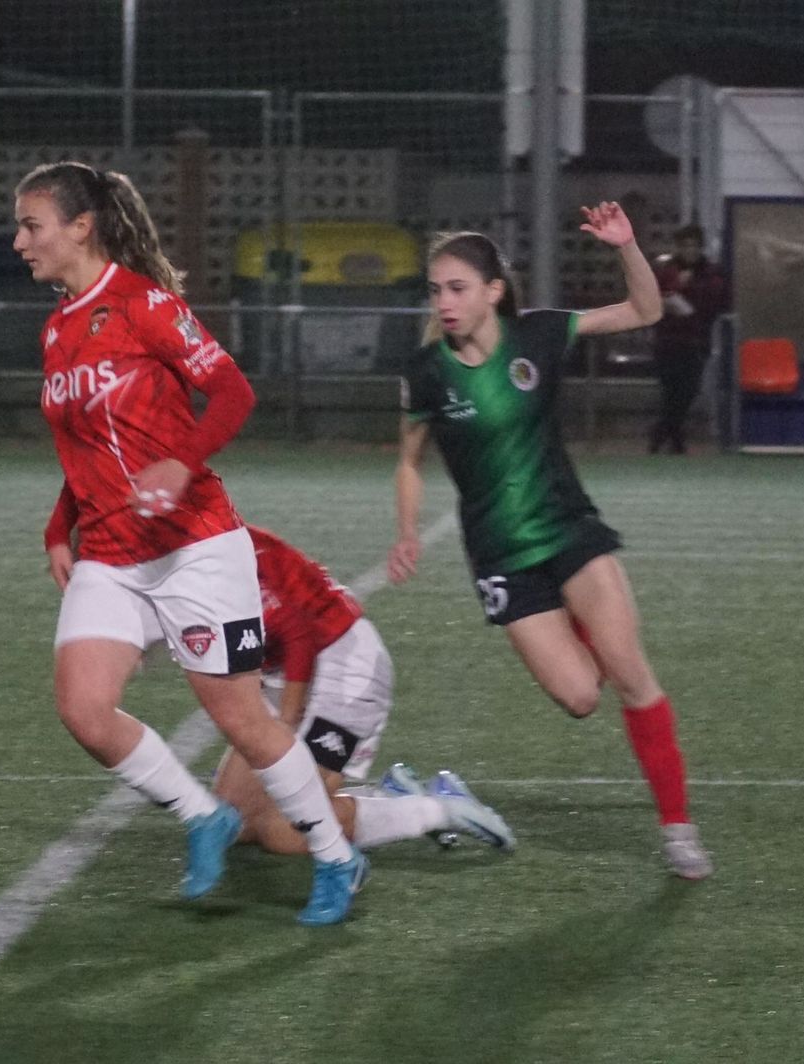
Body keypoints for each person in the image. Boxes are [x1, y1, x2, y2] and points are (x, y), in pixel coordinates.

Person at [20, 161, 364, 926]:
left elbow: (235, 390)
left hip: (196, 548)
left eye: (31, 225)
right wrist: (57, 527)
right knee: (84, 709)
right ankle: (201, 815)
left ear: (81, 227)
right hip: (110, 553)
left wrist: (183, 462)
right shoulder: (56, 328)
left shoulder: (146, 306)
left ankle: (339, 858)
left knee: (241, 719)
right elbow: (85, 450)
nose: (20, 241)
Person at [387, 205, 713, 880]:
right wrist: (407, 532)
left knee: (629, 672)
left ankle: (678, 830)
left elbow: (644, 311)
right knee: (580, 697)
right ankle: (581, 633)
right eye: (436, 290)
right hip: (503, 557)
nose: (444, 302)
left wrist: (629, 247)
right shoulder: (427, 371)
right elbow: (409, 460)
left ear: (492, 292)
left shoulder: (537, 335)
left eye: (457, 288)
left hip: (571, 532)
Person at [208, 524, 516, 856]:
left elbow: (297, 631)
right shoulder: (186, 549)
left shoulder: (222, 551)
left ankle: (438, 809)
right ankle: (390, 797)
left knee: (287, 831)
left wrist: (284, 721)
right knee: (233, 821)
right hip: (287, 671)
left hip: (344, 664)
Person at [648, 223, 728, 455]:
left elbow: (718, 301)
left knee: (688, 391)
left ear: (700, 247)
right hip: (668, 340)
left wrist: (688, 289)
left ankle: (662, 431)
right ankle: (674, 439)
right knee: (670, 391)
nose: (690, 251)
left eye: (694, 246)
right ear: (678, 247)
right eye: (685, 246)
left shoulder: (711, 272)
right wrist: (675, 289)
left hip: (696, 340)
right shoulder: (666, 271)